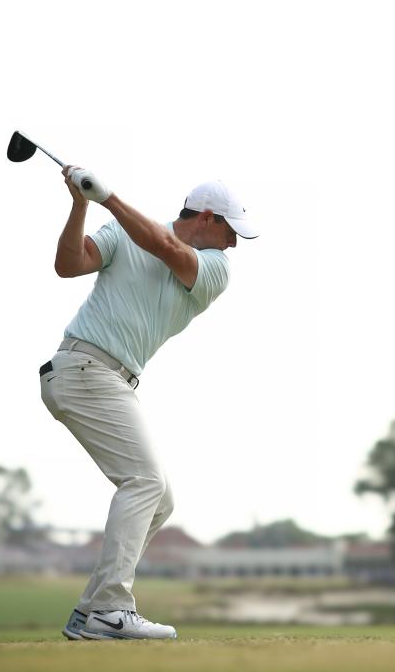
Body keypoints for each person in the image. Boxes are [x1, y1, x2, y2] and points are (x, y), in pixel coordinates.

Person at [40, 165, 259, 640]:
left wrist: (107, 197)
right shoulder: (121, 229)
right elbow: (68, 264)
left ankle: (92, 612)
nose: (234, 244)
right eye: (231, 231)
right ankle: (110, 609)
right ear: (207, 218)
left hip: (109, 379)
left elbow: (164, 247)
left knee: (160, 498)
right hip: (82, 369)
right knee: (143, 482)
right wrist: (81, 204)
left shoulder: (214, 270)